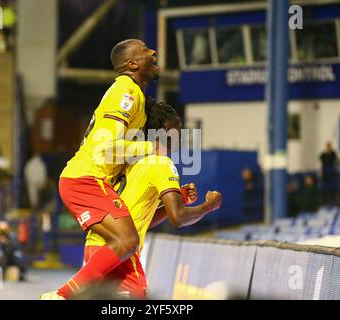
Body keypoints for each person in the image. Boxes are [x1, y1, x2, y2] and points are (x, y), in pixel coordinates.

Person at [41, 101, 222, 300]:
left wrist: (180, 200)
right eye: (176, 133)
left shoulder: (126, 162)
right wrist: (208, 206)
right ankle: (61, 295)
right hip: (122, 256)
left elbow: (143, 220)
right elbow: (178, 218)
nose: (178, 140)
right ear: (160, 134)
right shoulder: (161, 163)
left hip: (99, 249)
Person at [42, 39, 159, 298]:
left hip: (88, 180)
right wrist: (151, 148)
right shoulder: (126, 92)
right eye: (145, 50)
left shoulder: (131, 92)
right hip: (86, 178)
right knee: (127, 241)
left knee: (125, 249)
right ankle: (61, 296)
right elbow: (108, 148)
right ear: (132, 63)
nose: (153, 52)